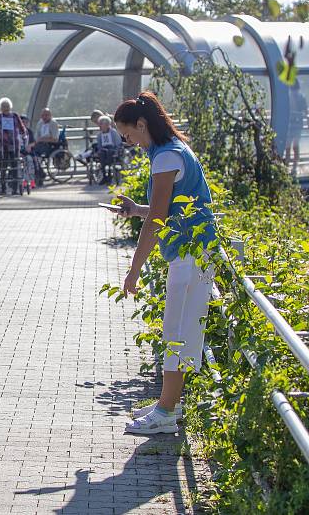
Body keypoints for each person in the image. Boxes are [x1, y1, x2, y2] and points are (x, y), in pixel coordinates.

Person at [108, 91, 216, 435]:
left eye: (129, 135)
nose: (131, 143)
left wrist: (134, 269)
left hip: (189, 254)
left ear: (142, 124)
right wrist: (135, 209)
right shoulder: (174, 151)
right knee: (180, 330)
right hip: (195, 251)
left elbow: (157, 220)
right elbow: (164, 211)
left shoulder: (165, 158)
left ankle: (166, 413)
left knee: (177, 332)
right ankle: (169, 404)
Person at [0, 98, 26, 195]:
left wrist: (23, 134)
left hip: (14, 143)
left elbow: (22, 128)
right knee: (3, 166)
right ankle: (3, 187)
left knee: (15, 165)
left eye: (7, 106)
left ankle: (15, 188)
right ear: (0, 108)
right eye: (3, 106)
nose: (5, 108)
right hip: (2, 145)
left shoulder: (14, 116)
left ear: (10, 107)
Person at [286, 83, 306, 176]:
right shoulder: (301, 97)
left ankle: (288, 165)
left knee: (289, 146)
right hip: (296, 124)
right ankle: (293, 166)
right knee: (293, 146)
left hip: (291, 125)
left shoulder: (289, 97)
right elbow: (305, 111)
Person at [95, 115, 123, 184]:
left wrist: (116, 151)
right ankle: (105, 176)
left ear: (107, 125)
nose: (100, 126)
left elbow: (118, 143)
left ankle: (110, 174)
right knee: (102, 153)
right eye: (100, 124)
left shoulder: (113, 132)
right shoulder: (99, 135)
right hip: (104, 151)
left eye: (101, 124)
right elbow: (99, 145)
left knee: (109, 153)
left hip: (112, 150)